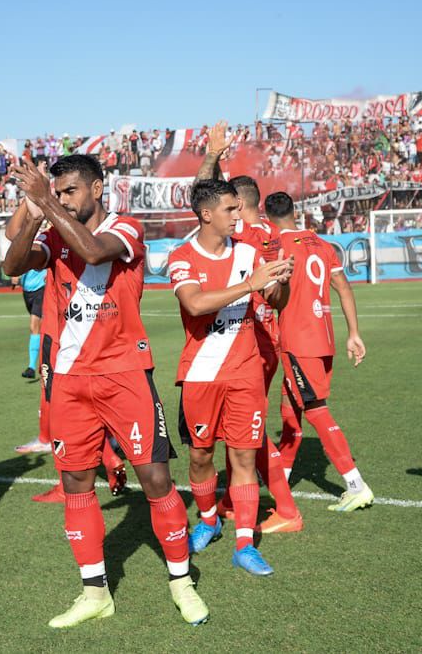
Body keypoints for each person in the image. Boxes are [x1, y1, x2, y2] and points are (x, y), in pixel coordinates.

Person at [3, 154, 208, 628]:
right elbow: (13, 265)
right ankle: (95, 591)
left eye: (70, 190)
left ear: (97, 188)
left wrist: (45, 205)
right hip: (70, 380)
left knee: (155, 478)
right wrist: (35, 215)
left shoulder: (127, 228)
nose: (63, 198)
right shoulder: (52, 233)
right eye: (58, 191)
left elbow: (95, 252)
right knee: (76, 482)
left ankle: (181, 581)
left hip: (124, 374)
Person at [169, 179, 292, 576]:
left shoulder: (250, 252)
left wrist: (281, 283)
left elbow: (275, 299)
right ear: (206, 214)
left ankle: (244, 542)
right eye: (230, 210)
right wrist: (249, 285)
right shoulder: (182, 256)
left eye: (239, 209)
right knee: (201, 455)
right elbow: (195, 303)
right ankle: (208, 520)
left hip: (245, 372)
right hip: (201, 374)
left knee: (241, 456)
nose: (239, 216)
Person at [194, 120, 303, 533]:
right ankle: (229, 499)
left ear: (237, 203)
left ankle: (288, 509)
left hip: (249, 343)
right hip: (260, 337)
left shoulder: (245, 233)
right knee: (237, 431)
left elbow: (200, 200)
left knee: (248, 436)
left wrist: (211, 158)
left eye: (228, 204)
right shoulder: (269, 233)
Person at [3, 202, 127, 497]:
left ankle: (84, 473)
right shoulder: (60, 228)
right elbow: (13, 235)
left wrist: (41, 200)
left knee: (61, 406)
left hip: (59, 329)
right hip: (66, 324)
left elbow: (13, 236)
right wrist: (29, 200)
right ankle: (108, 454)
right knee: (74, 404)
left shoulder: (64, 229)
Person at [266, 191, 374, 512]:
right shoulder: (323, 245)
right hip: (323, 340)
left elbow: (270, 294)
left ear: (267, 216)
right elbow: (344, 288)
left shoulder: (277, 246)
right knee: (291, 411)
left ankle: (356, 484)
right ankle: (281, 483)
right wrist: (353, 333)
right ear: (295, 212)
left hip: (298, 341)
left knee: (314, 410)